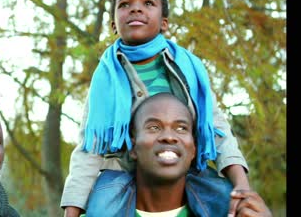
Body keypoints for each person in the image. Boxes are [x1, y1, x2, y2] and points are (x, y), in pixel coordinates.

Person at [61, 0, 250, 217]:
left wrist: (241, 184)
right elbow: (89, 148)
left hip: (184, 168)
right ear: (113, 25)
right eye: (125, 4)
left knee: (228, 203)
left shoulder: (188, 68)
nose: (136, 9)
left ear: (164, 23)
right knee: (100, 211)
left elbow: (217, 129)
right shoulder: (105, 80)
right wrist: (72, 211)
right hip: (121, 173)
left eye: (148, 3)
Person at [84, 93, 272, 217]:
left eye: (181, 128)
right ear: (133, 147)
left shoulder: (233, 213)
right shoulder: (97, 211)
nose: (168, 137)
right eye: (154, 127)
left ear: (194, 149)